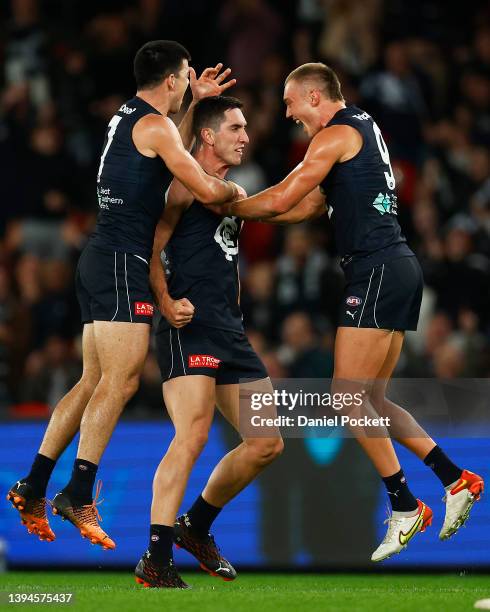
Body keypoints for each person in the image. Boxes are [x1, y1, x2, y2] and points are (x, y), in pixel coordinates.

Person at [206, 63, 484, 562]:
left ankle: (403, 503)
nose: (289, 114)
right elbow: (309, 207)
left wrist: (223, 203)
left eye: (291, 104)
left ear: (314, 96)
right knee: (371, 398)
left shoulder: (333, 135)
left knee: (345, 398)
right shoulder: (362, 127)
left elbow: (288, 195)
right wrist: (249, 212)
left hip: (376, 269)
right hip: (395, 267)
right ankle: (454, 477)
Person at [7, 40, 241, 552]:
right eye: (185, 79)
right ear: (174, 80)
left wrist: (197, 103)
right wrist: (239, 196)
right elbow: (203, 187)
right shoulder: (156, 126)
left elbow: (167, 149)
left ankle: (33, 484)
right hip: (121, 262)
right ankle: (78, 491)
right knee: (121, 378)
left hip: (101, 257)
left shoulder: (134, 118)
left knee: (94, 379)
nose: (187, 86)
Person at [135, 96, 286, 589]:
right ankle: (156, 558)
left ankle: (195, 526)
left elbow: (227, 260)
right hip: (188, 323)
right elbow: (151, 249)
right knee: (194, 433)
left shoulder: (230, 191)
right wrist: (164, 301)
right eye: (236, 128)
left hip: (227, 328)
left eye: (245, 127)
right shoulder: (180, 184)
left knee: (267, 442)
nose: (246, 136)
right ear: (207, 135)